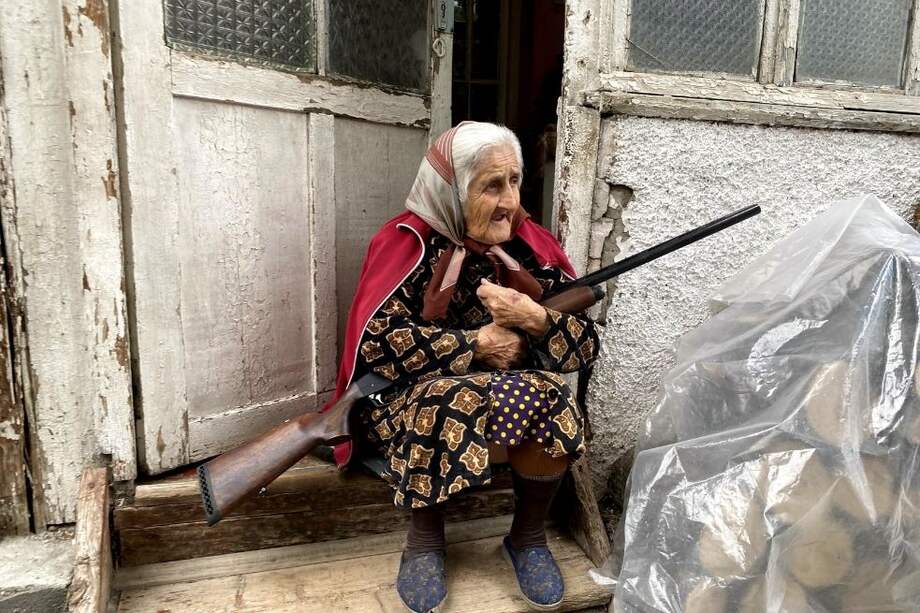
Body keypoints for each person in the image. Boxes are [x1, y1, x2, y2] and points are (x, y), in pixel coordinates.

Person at [330, 122, 599, 612]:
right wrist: (475, 344)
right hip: (407, 402)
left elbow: (584, 348)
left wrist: (536, 319)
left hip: (502, 399)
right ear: (451, 190)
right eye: (492, 186)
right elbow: (376, 343)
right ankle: (425, 542)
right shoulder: (406, 243)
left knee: (554, 396)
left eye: (515, 182)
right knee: (448, 395)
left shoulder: (527, 247)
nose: (510, 202)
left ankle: (527, 538)